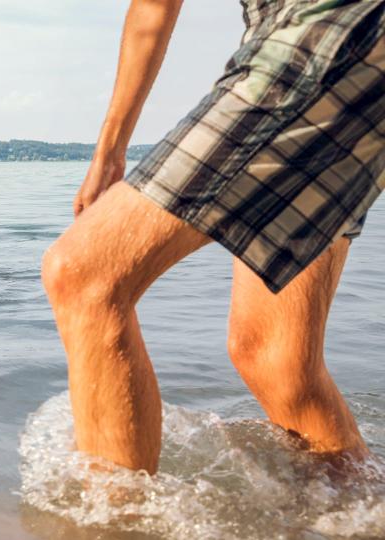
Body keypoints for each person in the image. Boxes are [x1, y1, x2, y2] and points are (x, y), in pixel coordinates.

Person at [42, 0, 385, 474]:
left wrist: (110, 152)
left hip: (330, 33)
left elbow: (154, 8)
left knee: (83, 274)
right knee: (276, 362)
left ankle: (116, 524)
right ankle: (360, 510)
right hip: (345, 52)